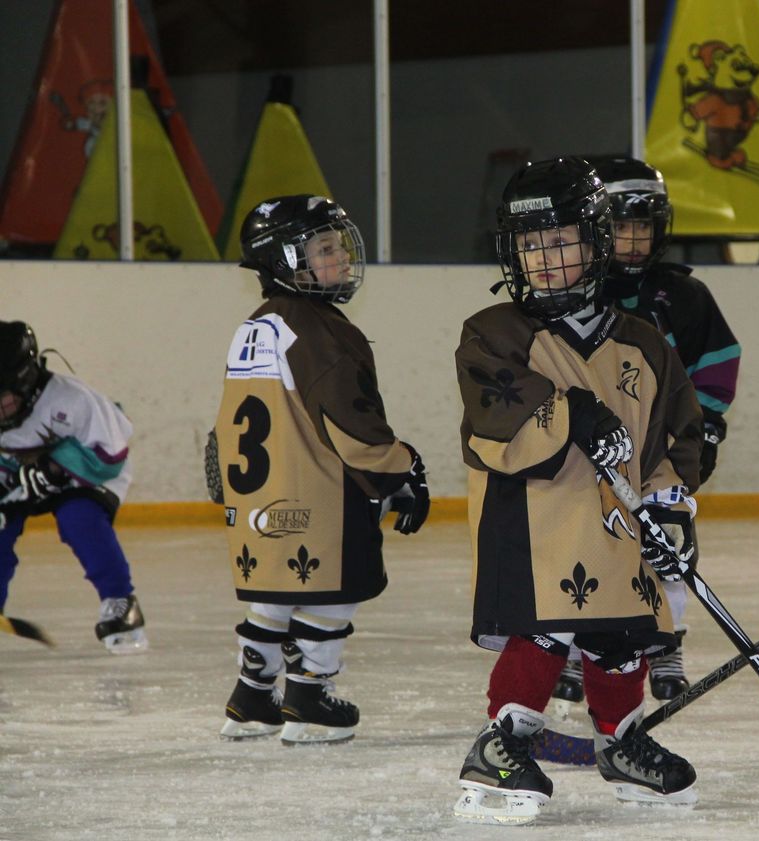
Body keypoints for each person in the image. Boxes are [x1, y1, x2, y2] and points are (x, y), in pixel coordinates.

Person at [453, 157, 703, 824]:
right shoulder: (495, 332)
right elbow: (493, 417)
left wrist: (670, 502)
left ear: (595, 243)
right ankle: (500, 738)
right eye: (530, 245)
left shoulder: (645, 343)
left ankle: (620, 740)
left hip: (616, 525)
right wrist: (572, 414)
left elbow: (675, 435)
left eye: (560, 241)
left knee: (620, 630)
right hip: (533, 519)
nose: (544, 258)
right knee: (548, 622)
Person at [214, 195, 430, 745]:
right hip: (320, 494)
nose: (340, 258)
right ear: (285, 260)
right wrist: (399, 470)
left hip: (260, 495)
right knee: (336, 587)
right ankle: (309, 695)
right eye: (326, 248)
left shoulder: (255, 325)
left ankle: (253, 695)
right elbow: (349, 423)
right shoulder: (321, 329)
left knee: (275, 590)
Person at [549, 156, 741, 709]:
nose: (633, 242)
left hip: (661, 450)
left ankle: (666, 648)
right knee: (580, 545)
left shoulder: (685, 295)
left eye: (644, 227)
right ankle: (569, 651)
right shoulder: (573, 289)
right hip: (590, 451)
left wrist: (701, 427)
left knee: (667, 546)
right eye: (620, 228)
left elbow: (719, 360)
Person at [0, 321, 148, 654]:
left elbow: (110, 457)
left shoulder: (74, 400)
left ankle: (121, 602)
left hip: (92, 473)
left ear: (24, 382)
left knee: (79, 518)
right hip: (22, 475)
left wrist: (52, 469)